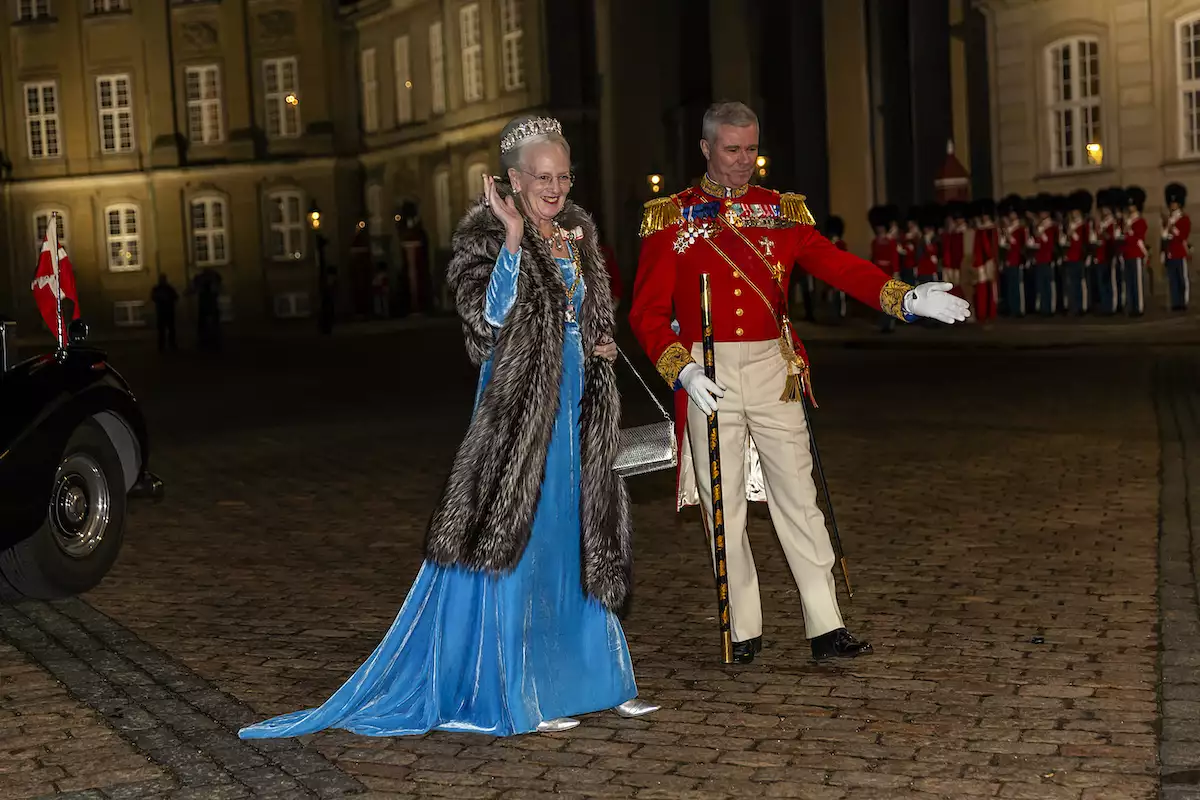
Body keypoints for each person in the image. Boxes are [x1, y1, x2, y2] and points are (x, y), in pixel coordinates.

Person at [239, 115, 655, 740]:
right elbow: (485, 326)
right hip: (518, 418)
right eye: (542, 177)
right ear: (512, 180)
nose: (556, 189)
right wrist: (513, 242)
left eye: (564, 176)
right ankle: (523, 692)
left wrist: (595, 339)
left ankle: (599, 679)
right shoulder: (485, 237)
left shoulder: (578, 233)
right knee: (524, 541)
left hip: (577, 412)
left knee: (580, 538)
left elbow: (586, 310)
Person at [629, 101, 970, 665]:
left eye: (751, 149)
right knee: (724, 504)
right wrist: (681, 368)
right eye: (732, 150)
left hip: (771, 367)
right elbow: (644, 312)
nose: (743, 162)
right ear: (706, 149)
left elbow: (837, 265)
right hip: (705, 369)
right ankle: (740, 626)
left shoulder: (781, 212)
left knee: (799, 497)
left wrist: (903, 296)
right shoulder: (671, 218)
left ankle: (825, 623)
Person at [1063, 190, 1093, 317]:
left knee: (1081, 283)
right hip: (1070, 257)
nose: (1073, 214)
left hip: (1079, 256)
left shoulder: (1084, 225)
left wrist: (1072, 234)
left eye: (1075, 211)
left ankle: (1083, 306)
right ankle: (1074, 306)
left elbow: (1084, 241)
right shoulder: (1070, 225)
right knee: (1072, 284)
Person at [1162, 183, 1190, 312]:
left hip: (1180, 252)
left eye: (1175, 203)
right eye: (1171, 203)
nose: (1173, 205)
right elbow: (1164, 236)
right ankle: (1175, 301)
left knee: (1182, 279)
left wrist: (1171, 227)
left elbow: (1182, 236)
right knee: (1172, 279)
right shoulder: (1169, 220)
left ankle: (1183, 301)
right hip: (1170, 253)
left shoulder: (1184, 219)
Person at [1122, 186, 1148, 316]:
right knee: (1129, 282)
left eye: (1133, 205)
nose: (1130, 208)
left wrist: (1128, 231)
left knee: (1137, 283)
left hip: (1136, 253)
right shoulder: (1127, 221)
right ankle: (1131, 306)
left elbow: (1137, 237)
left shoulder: (1140, 221)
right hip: (1127, 254)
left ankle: (1139, 307)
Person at [150, 274, 178, 352]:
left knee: (170, 329)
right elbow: (153, 297)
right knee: (162, 330)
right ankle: (163, 346)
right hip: (162, 312)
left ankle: (170, 345)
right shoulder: (158, 288)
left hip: (167, 311)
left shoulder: (168, 288)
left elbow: (175, 297)